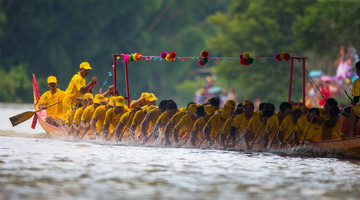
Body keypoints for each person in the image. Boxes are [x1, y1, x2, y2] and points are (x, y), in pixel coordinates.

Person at [349, 61, 360, 137]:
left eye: (356, 70)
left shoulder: (357, 82)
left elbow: (356, 98)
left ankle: (351, 134)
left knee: (353, 110)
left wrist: (353, 102)